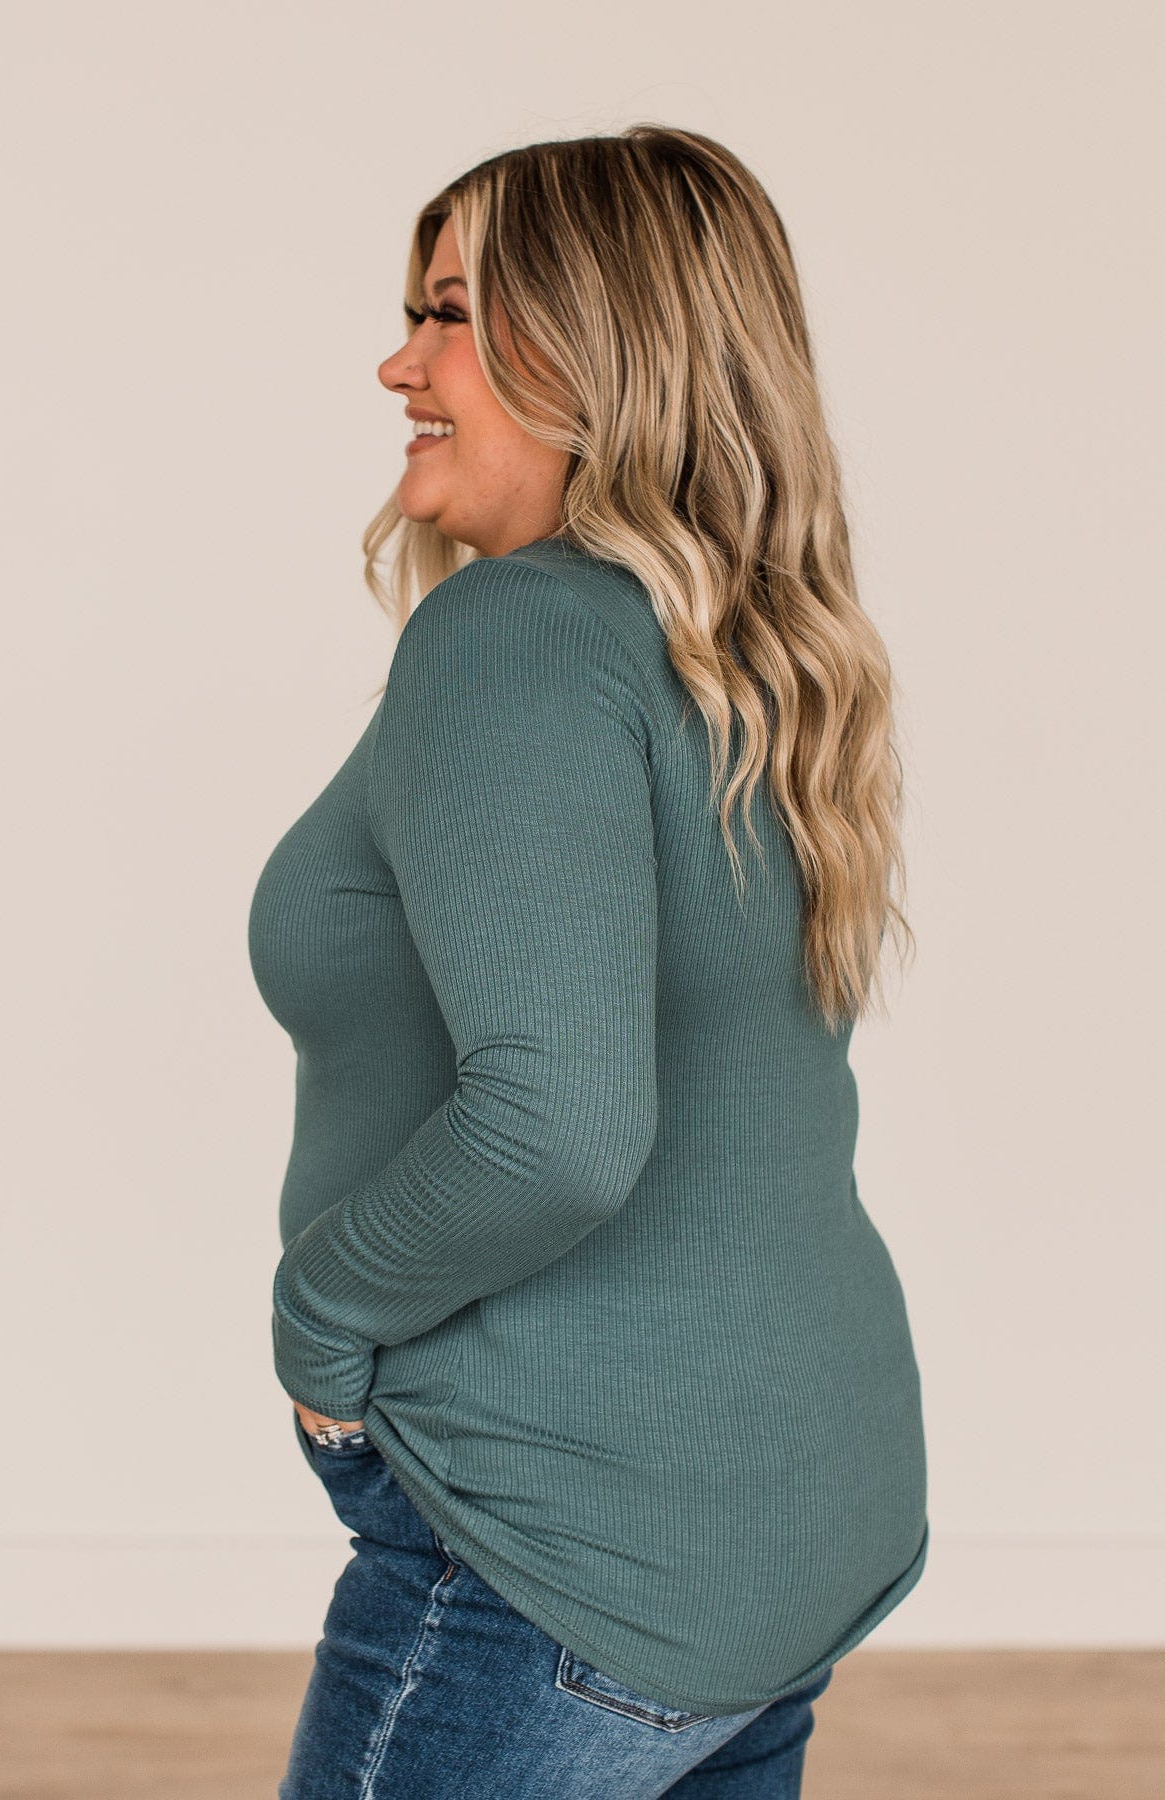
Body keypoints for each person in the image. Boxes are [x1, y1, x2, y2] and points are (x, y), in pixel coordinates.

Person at [248, 123, 929, 1799]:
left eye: (452, 315)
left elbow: (557, 1127)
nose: (401, 365)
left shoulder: (517, 638)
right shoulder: (746, 655)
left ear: (593, 348)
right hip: (783, 1517)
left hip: (558, 1549)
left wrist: (320, 1316)